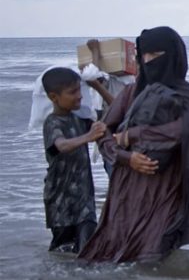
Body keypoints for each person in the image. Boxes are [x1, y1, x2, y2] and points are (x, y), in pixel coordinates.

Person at [80, 26, 189, 263]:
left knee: (155, 249)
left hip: (167, 187)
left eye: (156, 55)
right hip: (128, 188)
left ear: (174, 55)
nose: (149, 61)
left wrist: (134, 135)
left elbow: (184, 130)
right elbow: (102, 131)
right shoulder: (131, 93)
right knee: (120, 251)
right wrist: (126, 157)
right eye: (144, 56)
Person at [41, 67, 106, 253]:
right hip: (61, 201)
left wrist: (97, 87)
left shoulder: (80, 120)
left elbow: (113, 113)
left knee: (88, 250)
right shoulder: (52, 122)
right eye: (72, 92)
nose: (79, 96)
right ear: (54, 97)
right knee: (62, 252)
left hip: (84, 199)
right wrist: (88, 137)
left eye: (79, 90)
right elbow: (61, 145)